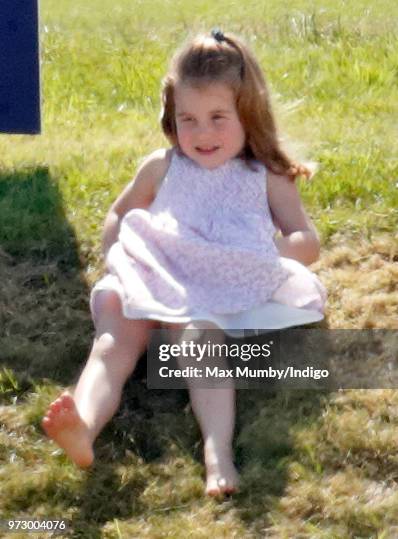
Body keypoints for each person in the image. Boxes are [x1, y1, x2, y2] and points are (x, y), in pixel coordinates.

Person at [42, 29, 326, 496]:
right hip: (154, 281)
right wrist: (117, 254)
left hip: (210, 295)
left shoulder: (265, 175)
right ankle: (84, 427)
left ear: (248, 115)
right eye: (188, 119)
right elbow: (120, 211)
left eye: (218, 117)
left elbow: (306, 240)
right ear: (171, 118)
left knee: (200, 340)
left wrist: (256, 257)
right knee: (113, 339)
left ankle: (218, 454)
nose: (202, 133)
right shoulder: (163, 166)